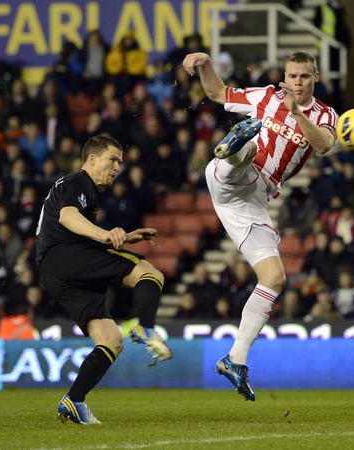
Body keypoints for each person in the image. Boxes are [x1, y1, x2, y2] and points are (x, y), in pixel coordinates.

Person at [183, 50, 337, 401]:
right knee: (250, 154)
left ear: (315, 78)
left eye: (305, 77)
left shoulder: (325, 114)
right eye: (293, 76)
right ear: (285, 75)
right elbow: (218, 94)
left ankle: (235, 359)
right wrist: (206, 63)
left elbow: (324, 145)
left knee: (275, 278)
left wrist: (298, 114)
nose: (298, 83)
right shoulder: (268, 95)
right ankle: (236, 148)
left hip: (249, 203)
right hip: (237, 176)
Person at [35, 135, 172, 424]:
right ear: (92, 159)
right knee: (150, 274)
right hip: (65, 255)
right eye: (112, 159)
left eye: (120, 162)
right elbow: (68, 218)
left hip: (52, 269)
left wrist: (123, 238)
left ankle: (74, 400)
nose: (117, 167)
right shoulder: (79, 181)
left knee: (111, 339)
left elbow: (75, 228)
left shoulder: (80, 189)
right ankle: (146, 328)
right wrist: (106, 235)